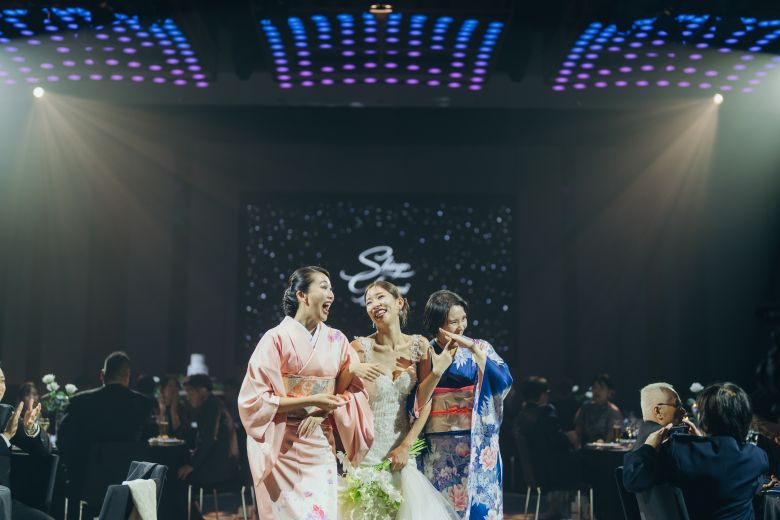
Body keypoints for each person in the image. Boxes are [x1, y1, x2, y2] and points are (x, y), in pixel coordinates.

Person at [238, 266, 373, 519]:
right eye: (324, 287)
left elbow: (353, 392)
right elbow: (254, 400)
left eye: (331, 288)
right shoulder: (275, 338)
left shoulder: (337, 339)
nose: (331, 294)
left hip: (319, 441)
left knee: (321, 513)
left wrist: (322, 411)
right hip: (281, 444)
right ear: (302, 295)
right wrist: (312, 399)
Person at [338, 281, 458, 519]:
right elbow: (338, 392)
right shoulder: (359, 348)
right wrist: (351, 369)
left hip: (401, 451)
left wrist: (406, 446)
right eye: (369, 302)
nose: (374, 304)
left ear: (399, 302)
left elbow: (425, 401)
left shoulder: (419, 346)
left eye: (380, 297)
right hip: (367, 450)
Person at [420, 290, 513, 519]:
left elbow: (504, 381)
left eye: (463, 319)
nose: (461, 326)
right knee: (442, 508)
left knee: (479, 507)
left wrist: (474, 351)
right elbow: (415, 397)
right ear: (437, 324)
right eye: (453, 322)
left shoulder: (480, 347)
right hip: (439, 447)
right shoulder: (425, 352)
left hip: (477, 442)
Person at [623, 382, 769, 519]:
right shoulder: (757, 457)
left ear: (704, 419)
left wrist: (649, 447)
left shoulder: (679, 450)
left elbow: (634, 478)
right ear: (745, 419)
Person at [58, 351, 156, 506]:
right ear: (127, 376)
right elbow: (149, 444)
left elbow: (63, 442)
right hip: (128, 483)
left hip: (85, 482)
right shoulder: (143, 404)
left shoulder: (80, 402)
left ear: (102, 375)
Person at [0, 367, 53, 520]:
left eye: (2, 381)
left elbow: (44, 450)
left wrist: (31, 428)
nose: (0, 387)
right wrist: (5, 437)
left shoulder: (5, 413)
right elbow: (7, 436)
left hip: (5, 503)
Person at [176, 374, 240, 487]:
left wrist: (192, 464)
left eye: (191, 393)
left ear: (203, 391)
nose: (188, 398)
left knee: (177, 477)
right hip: (224, 465)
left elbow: (208, 438)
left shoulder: (210, 405)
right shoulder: (215, 403)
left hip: (216, 469)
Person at [573, 374, 623, 444]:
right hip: (585, 448)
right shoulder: (585, 408)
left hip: (606, 449)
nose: (597, 391)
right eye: (595, 387)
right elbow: (577, 433)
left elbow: (611, 438)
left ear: (609, 392)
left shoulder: (613, 411)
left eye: (601, 388)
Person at [633, 382, 686, 447]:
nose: (683, 411)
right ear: (658, 412)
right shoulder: (665, 437)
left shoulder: (644, 431)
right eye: (677, 405)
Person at [157, 374, 188, 439]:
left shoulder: (183, 408)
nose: (174, 388)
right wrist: (162, 411)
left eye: (176, 386)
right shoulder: (155, 408)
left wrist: (173, 410)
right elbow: (158, 432)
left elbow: (180, 434)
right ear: (163, 389)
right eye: (170, 385)